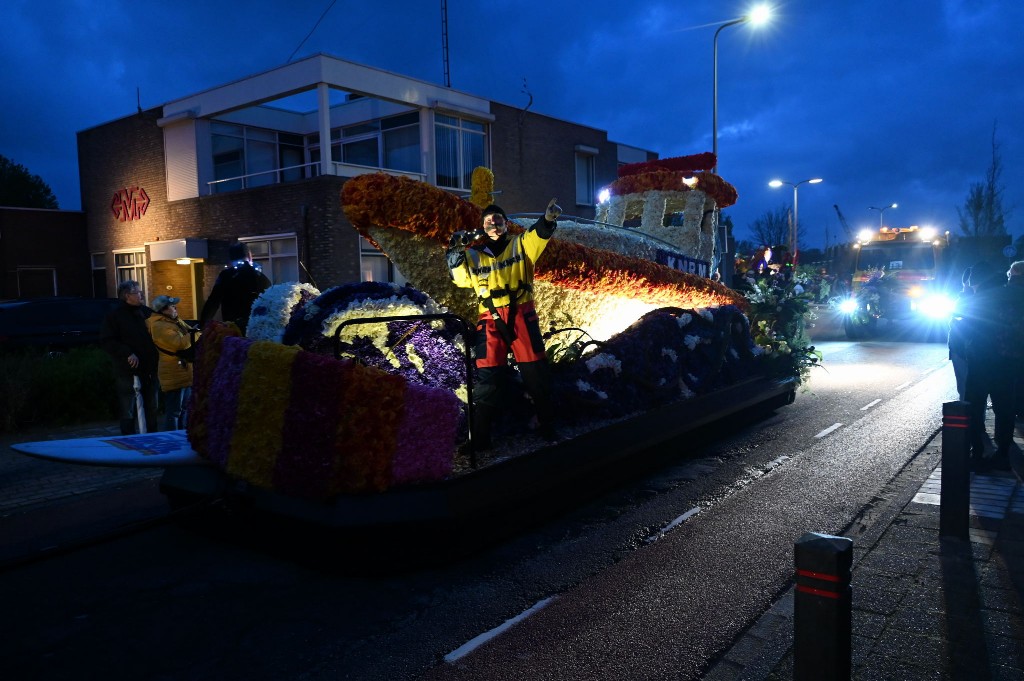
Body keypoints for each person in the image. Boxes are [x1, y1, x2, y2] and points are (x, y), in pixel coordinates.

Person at [446, 199, 561, 448]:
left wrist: (548, 219)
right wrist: (453, 250)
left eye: (498, 218)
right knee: (488, 377)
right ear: (483, 227)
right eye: (488, 220)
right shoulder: (473, 255)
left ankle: (548, 426)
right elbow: (459, 279)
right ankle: (480, 437)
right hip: (489, 318)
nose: (493, 223)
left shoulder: (521, 244)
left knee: (535, 374)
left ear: (506, 223)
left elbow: (538, 235)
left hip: (521, 313)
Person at [959, 261, 1024, 471]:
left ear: (976, 280)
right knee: (1004, 410)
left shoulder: (980, 298)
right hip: (1008, 361)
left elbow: (968, 330)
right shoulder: (1009, 293)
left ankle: (977, 453)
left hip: (982, 361)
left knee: (974, 408)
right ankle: (1003, 455)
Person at [101, 280, 159, 434]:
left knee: (151, 406)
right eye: (137, 292)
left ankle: (152, 438)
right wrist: (127, 353)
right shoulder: (115, 317)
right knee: (129, 408)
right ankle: (128, 440)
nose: (141, 295)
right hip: (128, 371)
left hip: (149, 370)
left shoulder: (147, 313)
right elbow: (108, 341)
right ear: (127, 296)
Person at [148, 295, 197, 431]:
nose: (175, 308)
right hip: (173, 372)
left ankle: (182, 436)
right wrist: (197, 334)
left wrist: (195, 332)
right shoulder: (159, 326)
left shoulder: (174, 321)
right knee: (174, 411)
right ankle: (173, 438)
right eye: (172, 306)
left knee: (184, 409)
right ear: (163, 310)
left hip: (184, 371)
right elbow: (179, 344)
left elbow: (189, 331)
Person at [199, 242, 271, 334]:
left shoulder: (226, 276)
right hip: (257, 330)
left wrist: (203, 325)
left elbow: (213, 302)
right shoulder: (261, 277)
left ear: (230, 258)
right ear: (249, 255)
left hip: (233, 330)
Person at [947, 266, 973, 402]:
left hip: (967, 348)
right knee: (965, 387)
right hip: (959, 348)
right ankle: (969, 419)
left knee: (969, 388)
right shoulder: (960, 300)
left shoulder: (963, 299)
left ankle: (971, 419)